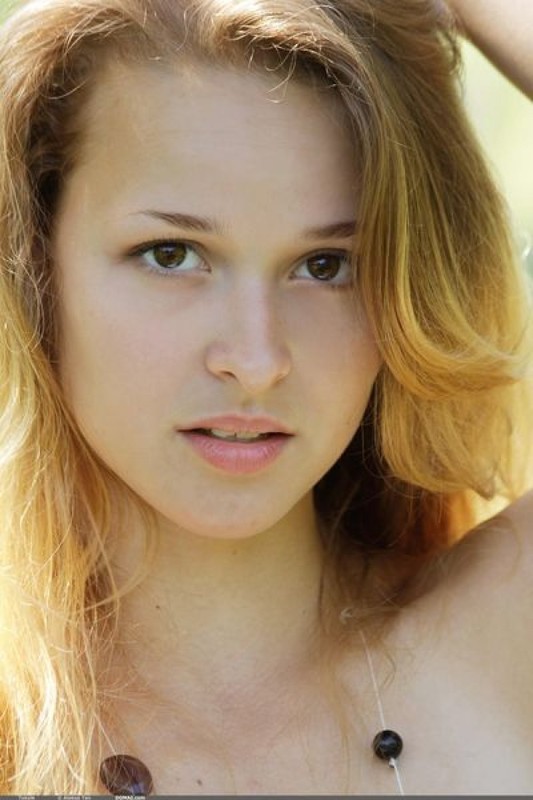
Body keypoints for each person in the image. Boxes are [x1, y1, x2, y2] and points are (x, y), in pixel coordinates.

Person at [0, 0, 531, 794]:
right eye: (171, 254)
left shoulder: (503, 642)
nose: (255, 362)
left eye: (325, 266)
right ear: (35, 265)